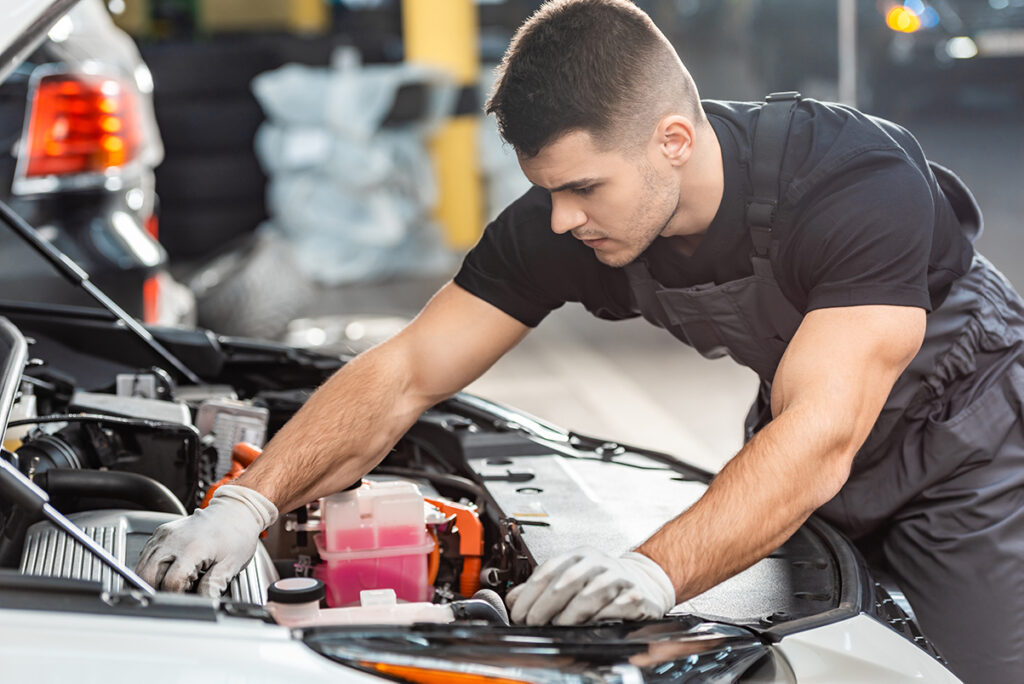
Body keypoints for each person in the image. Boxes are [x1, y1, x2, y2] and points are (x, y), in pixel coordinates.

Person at [135, 1, 1024, 681]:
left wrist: (650, 572)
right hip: (804, 434)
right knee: (799, 662)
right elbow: (406, 369)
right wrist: (248, 503)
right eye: (548, 189)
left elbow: (824, 431)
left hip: (970, 449)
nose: (563, 219)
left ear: (674, 140)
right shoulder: (574, 219)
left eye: (585, 188)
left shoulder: (853, 182)